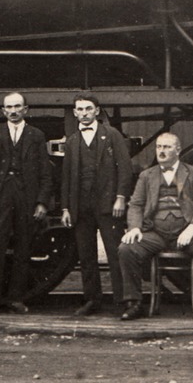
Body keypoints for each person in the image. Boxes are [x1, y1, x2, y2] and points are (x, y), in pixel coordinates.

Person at [116, 133, 193, 321]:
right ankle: (133, 303)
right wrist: (134, 227)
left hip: (187, 231)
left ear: (178, 150)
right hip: (155, 233)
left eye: (166, 147)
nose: (162, 151)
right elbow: (136, 205)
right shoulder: (146, 175)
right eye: (159, 147)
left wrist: (192, 228)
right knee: (126, 248)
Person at [59, 93, 135, 316]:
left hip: (108, 204)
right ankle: (92, 299)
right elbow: (66, 177)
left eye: (88, 109)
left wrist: (121, 197)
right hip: (81, 206)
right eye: (80, 110)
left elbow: (125, 169)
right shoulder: (72, 141)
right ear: (75, 113)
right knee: (86, 255)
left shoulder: (111, 135)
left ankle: (123, 300)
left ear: (97, 111)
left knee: (116, 253)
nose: (84, 113)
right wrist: (65, 208)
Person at [0, 92, 52, 315]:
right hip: (1, 196)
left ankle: (16, 298)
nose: (13, 111)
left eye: (18, 106)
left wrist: (41, 203)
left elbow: (46, 173)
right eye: (9, 107)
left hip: (26, 197)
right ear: (3, 111)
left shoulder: (36, 135)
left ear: (26, 109)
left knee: (23, 249)